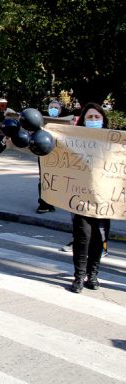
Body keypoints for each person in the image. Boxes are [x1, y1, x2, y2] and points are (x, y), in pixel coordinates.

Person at [70, 103, 110, 293]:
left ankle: (92, 275)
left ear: (103, 120)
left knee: (98, 238)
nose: (93, 120)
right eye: (90, 117)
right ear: (83, 121)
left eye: (97, 117)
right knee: (82, 237)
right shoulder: (75, 140)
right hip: (81, 197)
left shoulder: (112, 141)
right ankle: (78, 277)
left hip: (105, 200)